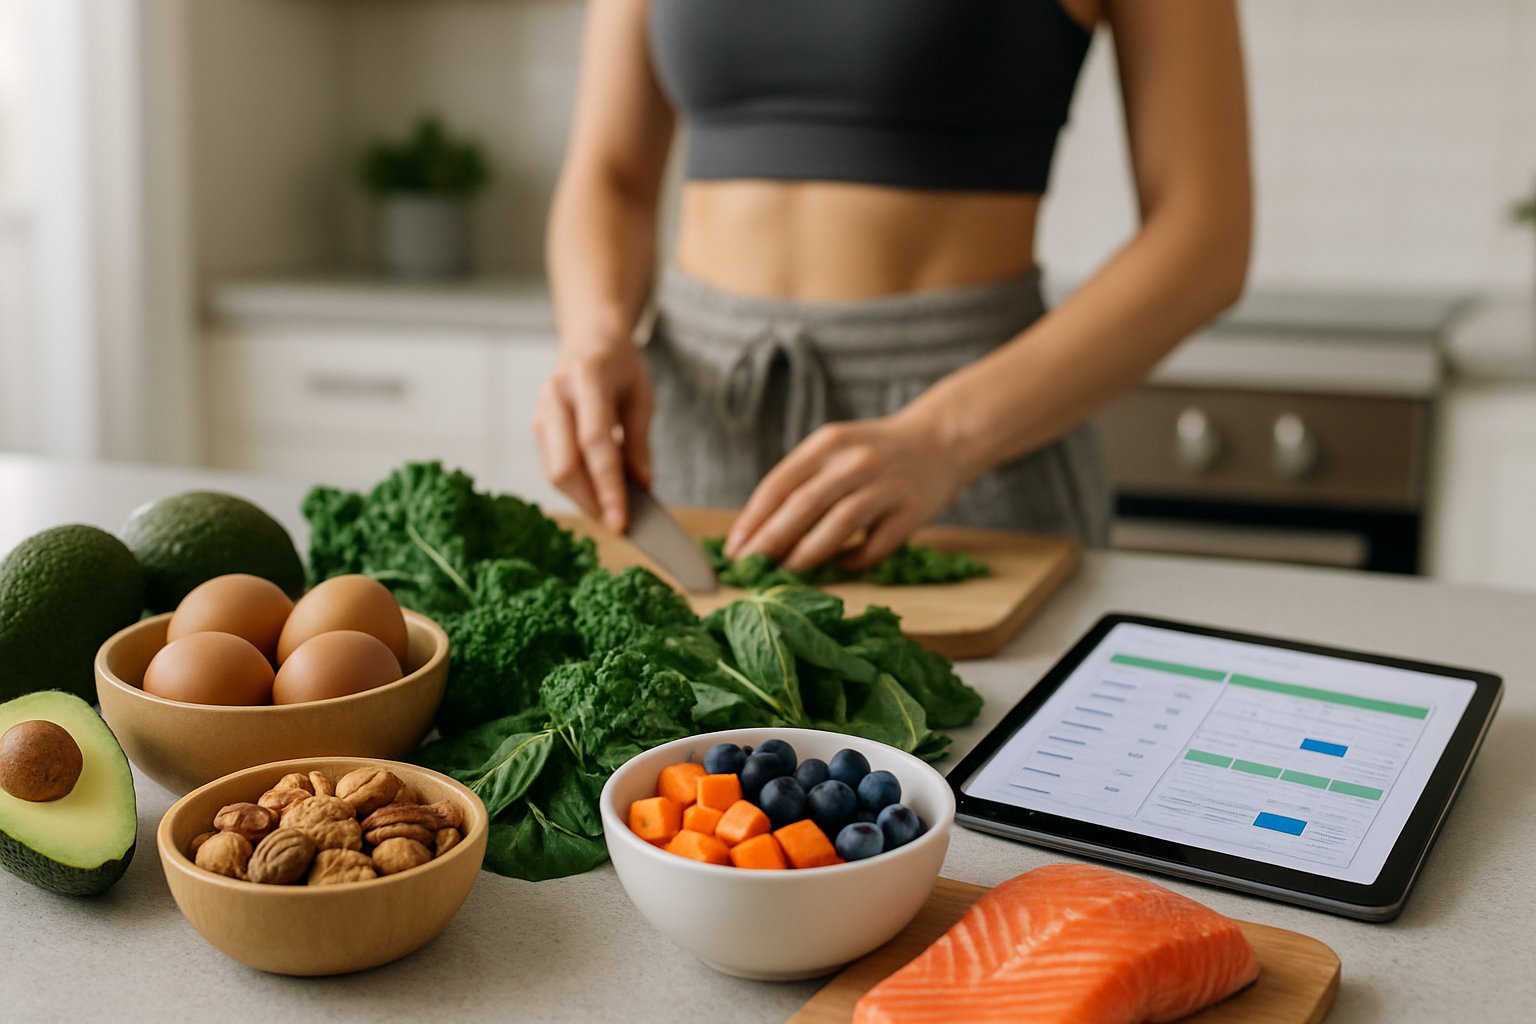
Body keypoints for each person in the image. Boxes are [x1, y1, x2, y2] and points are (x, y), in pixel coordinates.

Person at [535, 0, 1251, 574]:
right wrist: (596, 331)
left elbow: (1207, 236)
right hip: (689, 426)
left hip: (966, 441)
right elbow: (612, 178)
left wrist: (944, 437)